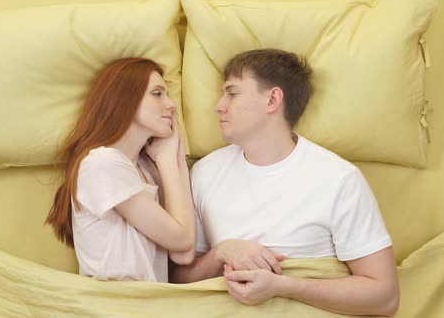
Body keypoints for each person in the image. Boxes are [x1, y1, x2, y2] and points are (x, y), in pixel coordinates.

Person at [171, 49, 400, 316]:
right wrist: (221, 252)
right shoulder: (204, 172)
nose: (219, 106)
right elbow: (178, 279)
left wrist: (282, 286)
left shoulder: (338, 179)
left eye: (232, 93)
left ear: (272, 99)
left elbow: (384, 298)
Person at [45, 57, 195, 282]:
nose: (171, 104)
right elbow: (182, 239)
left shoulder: (144, 168)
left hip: (148, 303)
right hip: (117, 302)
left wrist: (174, 158)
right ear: (126, 100)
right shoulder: (102, 164)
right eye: (157, 93)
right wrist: (166, 160)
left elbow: (184, 254)